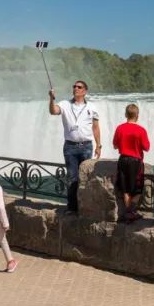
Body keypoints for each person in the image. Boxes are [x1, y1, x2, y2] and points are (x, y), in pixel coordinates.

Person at [48, 80, 101, 213]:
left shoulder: (92, 107)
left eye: (79, 87)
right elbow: (53, 111)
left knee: (85, 178)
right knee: (72, 178)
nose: (75, 88)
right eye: (74, 86)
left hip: (87, 146)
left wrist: (98, 145)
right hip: (70, 147)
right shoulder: (65, 104)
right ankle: (72, 207)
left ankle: (85, 206)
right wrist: (51, 99)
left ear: (85, 91)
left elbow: (95, 127)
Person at [112, 104, 150, 221]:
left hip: (123, 160)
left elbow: (115, 145)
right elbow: (146, 147)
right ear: (137, 115)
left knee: (125, 188)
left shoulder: (119, 128)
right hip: (135, 161)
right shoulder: (141, 130)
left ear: (125, 115)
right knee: (138, 188)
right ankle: (131, 211)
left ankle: (128, 213)